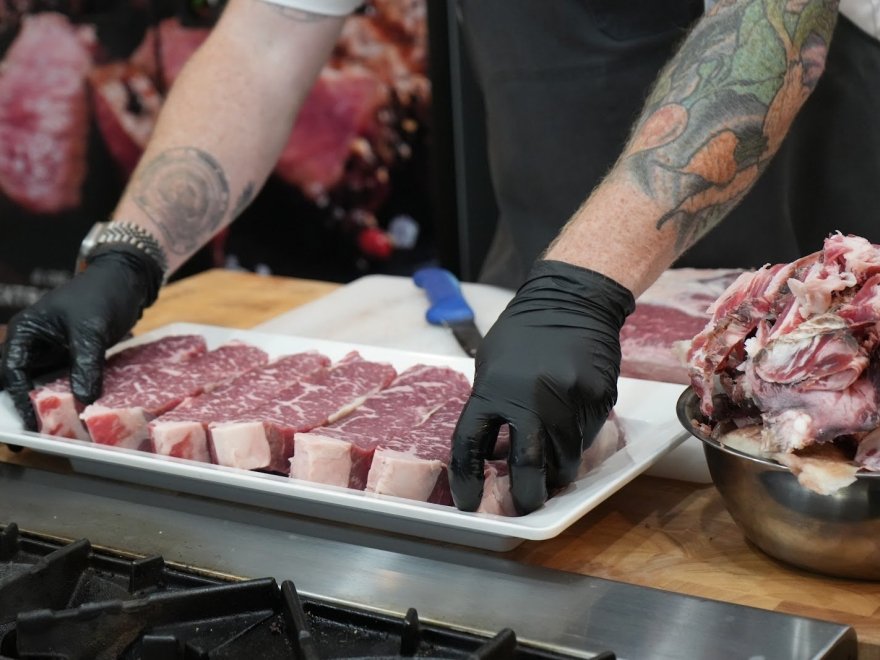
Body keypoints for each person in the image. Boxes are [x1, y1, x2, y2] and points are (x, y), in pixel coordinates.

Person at [0, 0, 874, 516]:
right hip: (548, 288)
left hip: (815, 325)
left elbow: (765, 28)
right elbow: (266, 36)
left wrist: (582, 286)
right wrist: (130, 251)